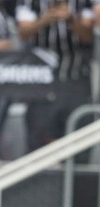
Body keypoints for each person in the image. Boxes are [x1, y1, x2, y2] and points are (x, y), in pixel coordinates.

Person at [16, 0, 96, 150]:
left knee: (78, 136)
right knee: (38, 136)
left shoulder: (81, 2)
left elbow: (89, 37)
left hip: (75, 77)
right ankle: (39, 173)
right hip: (42, 80)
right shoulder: (31, 2)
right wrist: (46, 19)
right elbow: (23, 33)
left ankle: (76, 173)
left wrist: (71, 19)